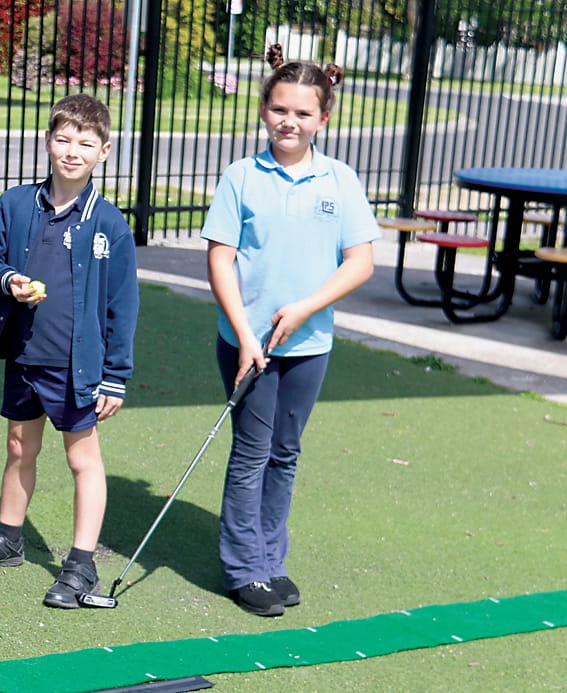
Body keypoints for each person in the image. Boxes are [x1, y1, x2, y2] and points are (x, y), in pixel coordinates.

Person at [200, 44, 379, 616]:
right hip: (248, 344)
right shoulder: (241, 177)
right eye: (280, 109)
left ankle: (272, 560)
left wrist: (305, 308)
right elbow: (221, 257)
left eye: (303, 113)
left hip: (310, 343)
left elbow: (360, 261)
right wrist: (244, 333)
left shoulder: (340, 180)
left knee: (286, 453)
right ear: (263, 110)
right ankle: (243, 568)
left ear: (323, 119)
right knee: (251, 453)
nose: (289, 122)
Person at [0, 94, 140, 609]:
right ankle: (9, 537)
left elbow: (123, 305)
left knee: (82, 459)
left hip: (78, 368)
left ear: (104, 151)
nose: (72, 150)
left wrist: (116, 375)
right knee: (17, 447)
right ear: (47, 142)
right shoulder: (14, 205)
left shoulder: (111, 225)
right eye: (64, 138)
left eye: (85, 142)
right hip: (25, 357)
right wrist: (8, 280)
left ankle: (81, 564)